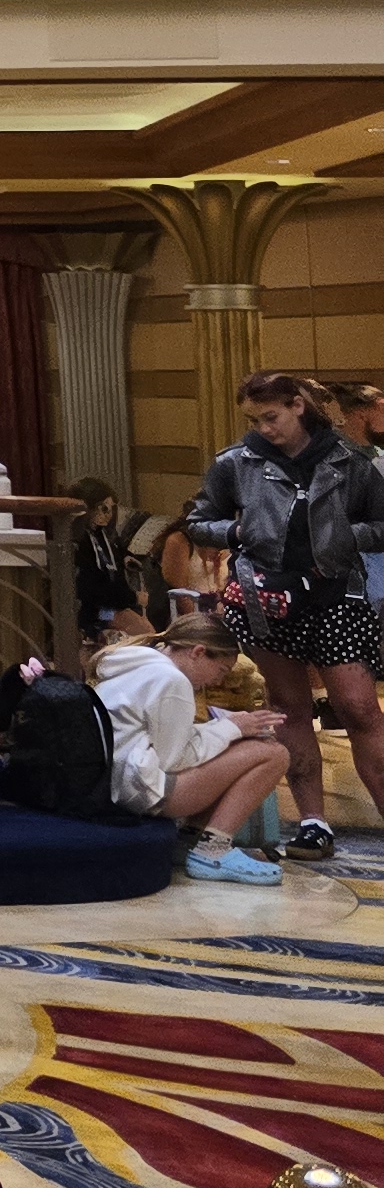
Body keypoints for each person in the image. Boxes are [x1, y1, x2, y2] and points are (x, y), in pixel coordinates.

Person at [182, 368, 384, 860]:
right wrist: (233, 533)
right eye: (254, 419)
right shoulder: (236, 462)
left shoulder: (352, 460)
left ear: (298, 405)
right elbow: (197, 522)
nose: (263, 428)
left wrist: (342, 538)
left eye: (271, 417)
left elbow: (382, 526)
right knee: (289, 706)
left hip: (337, 596)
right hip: (267, 597)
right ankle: (314, 823)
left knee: (358, 708)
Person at [81, 615, 291, 883]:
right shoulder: (172, 680)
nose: (217, 682)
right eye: (221, 671)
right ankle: (211, 851)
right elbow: (172, 761)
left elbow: (164, 741)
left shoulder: (142, 664)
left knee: (238, 743)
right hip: (141, 791)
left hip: (118, 784)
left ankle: (189, 841)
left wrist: (229, 729)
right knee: (272, 754)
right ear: (198, 652)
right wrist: (232, 729)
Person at [65, 475, 143, 645]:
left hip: (110, 604)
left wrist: (126, 558)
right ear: (88, 509)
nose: (108, 515)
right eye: (103, 508)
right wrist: (133, 598)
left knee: (145, 629)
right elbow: (92, 589)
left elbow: (116, 562)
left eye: (110, 508)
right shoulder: (79, 543)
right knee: (144, 633)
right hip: (94, 611)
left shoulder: (103, 536)